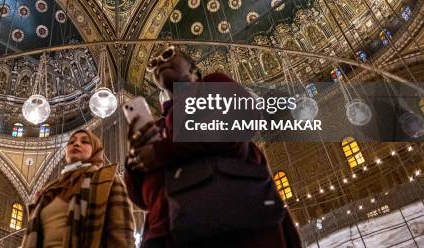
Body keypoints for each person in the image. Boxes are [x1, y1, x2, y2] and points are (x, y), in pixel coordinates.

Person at [124, 46, 302, 248]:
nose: (160, 63)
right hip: (167, 233)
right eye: (153, 64)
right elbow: (142, 200)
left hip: (234, 223)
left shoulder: (213, 86)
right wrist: (134, 163)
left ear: (194, 70)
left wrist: (162, 151)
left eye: (168, 54)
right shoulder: (156, 129)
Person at [21, 129, 135, 248]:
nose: (76, 144)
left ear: (95, 150)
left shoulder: (107, 181)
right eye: (71, 142)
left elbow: (121, 234)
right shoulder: (49, 191)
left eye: (85, 142)